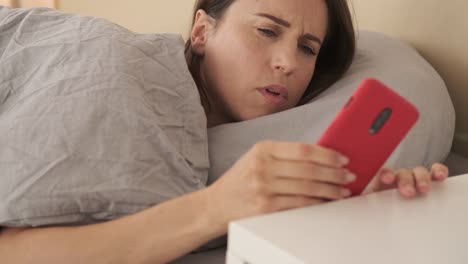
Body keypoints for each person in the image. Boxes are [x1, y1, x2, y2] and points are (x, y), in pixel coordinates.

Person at [0, 0, 449, 263]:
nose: (289, 63)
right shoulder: (113, 71)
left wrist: (366, 210)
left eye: (307, 48)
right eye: (266, 30)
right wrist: (213, 208)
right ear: (201, 32)